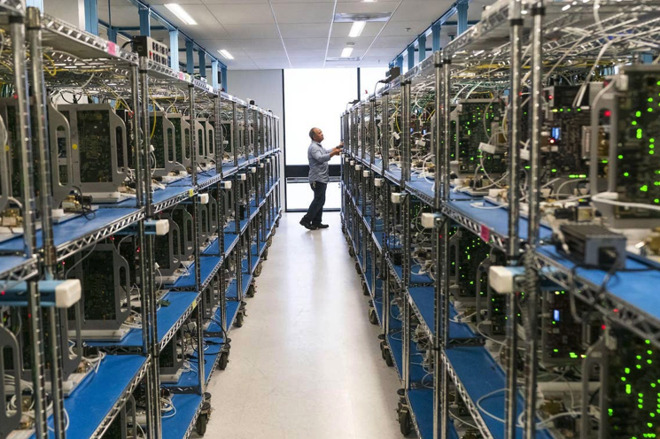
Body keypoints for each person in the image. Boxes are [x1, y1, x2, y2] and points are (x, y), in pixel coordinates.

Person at [299, 127, 343, 230]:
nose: (322, 134)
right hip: (317, 179)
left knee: (320, 200)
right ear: (314, 136)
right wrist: (334, 153)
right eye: (319, 133)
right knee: (318, 200)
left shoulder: (318, 146)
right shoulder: (314, 147)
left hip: (321, 178)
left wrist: (337, 147)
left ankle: (316, 222)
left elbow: (325, 152)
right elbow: (320, 158)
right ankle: (305, 220)